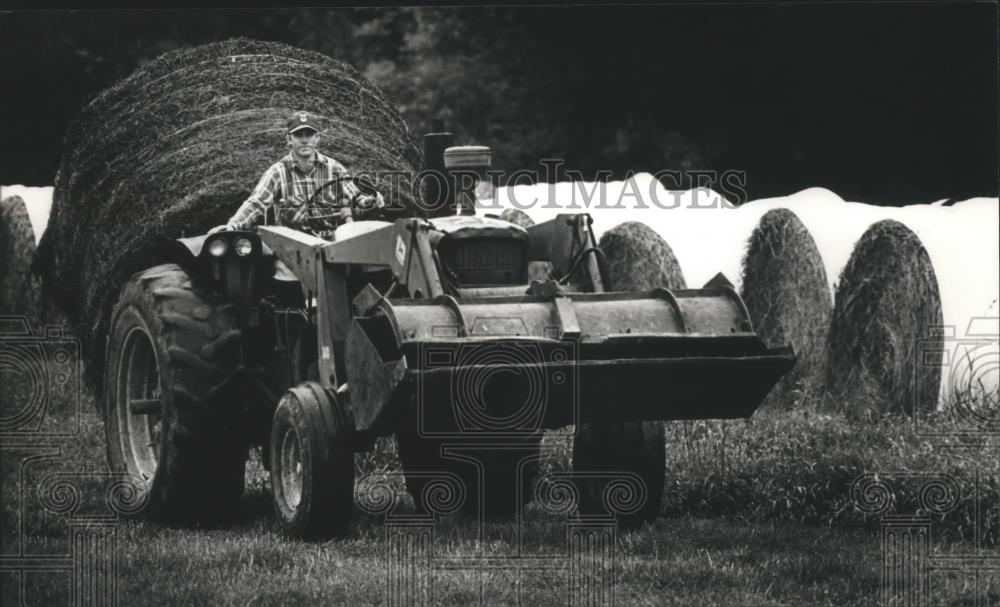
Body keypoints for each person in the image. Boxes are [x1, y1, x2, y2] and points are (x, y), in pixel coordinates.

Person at [209, 111, 384, 237]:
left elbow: (357, 200)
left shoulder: (334, 168)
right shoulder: (278, 172)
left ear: (317, 139)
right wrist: (232, 226)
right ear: (289, 140)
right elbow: (256, 203)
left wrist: (372, 200)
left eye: (309, 134)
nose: (304, 139)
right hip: (292, 246)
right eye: (298, 134)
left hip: (331, 242)